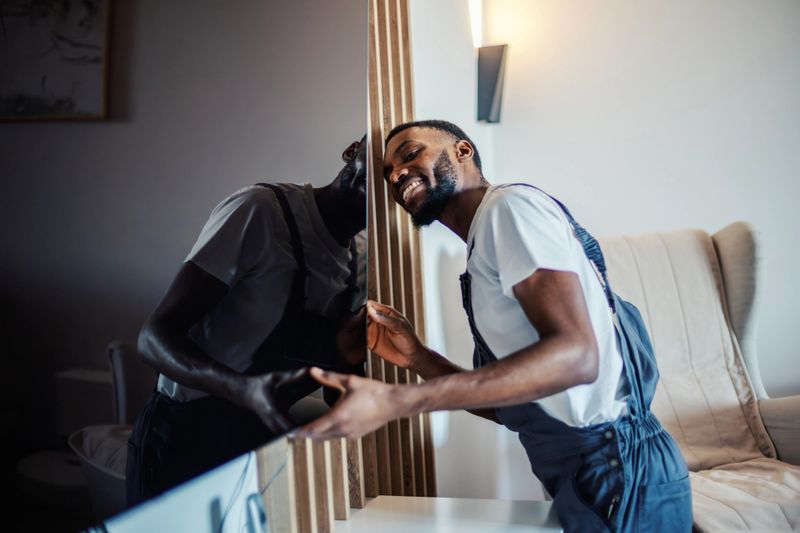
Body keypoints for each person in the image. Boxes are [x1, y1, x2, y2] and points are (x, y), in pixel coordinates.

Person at [298, 121, 692, 532]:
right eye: (388, 172)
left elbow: (577, 356)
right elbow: (511, 408)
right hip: (593, 473)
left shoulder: (508, 210)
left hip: (619, 471)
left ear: (463, 151)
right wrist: (417, 356)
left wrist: (396, 400)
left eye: (411, 154)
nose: (396, 174)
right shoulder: (486, 244)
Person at [126, 136, 368, 505]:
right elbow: (154, 337)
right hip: (182, 438)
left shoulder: (361, 258)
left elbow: (336, 391)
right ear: (352, 150)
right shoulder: (262, 212)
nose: (393, 172)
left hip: (256, 446)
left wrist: (346, 361)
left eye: (404, 173)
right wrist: (243, 390)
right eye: (387, 155)